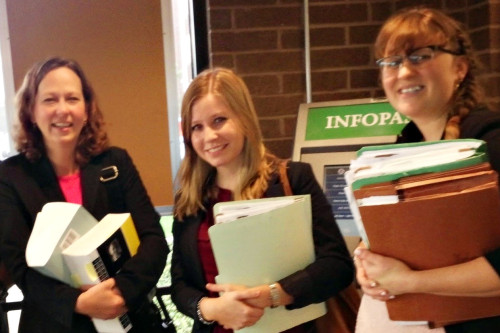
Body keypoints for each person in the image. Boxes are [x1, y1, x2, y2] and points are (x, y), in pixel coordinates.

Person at [170, 67, 355, 332]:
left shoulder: (293, 179)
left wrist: (274, 295)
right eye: (197, 127)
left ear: (244, 119)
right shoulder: (189, 199)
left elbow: (337, 265)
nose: (209, 136)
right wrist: (208, 308)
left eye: (219, 120)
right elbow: (180, 285)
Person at [353, 7, 500, 333]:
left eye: (419, 56)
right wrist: (365, 262)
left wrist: (409, 281)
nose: (403, 72)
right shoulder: (403, 147)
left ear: (459, 68)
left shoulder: (489, 142)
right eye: (390, 63)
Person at [0, 57, 169, 333]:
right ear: (31, 110)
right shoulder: (11, 176)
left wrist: (121, 291)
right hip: (54, 324)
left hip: (126, 319)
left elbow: (154, 239)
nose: (63, 110)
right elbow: (18, 266)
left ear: (87, 109)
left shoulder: (115, 163)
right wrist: (79, 302)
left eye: (72, 98)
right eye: (50, 100)